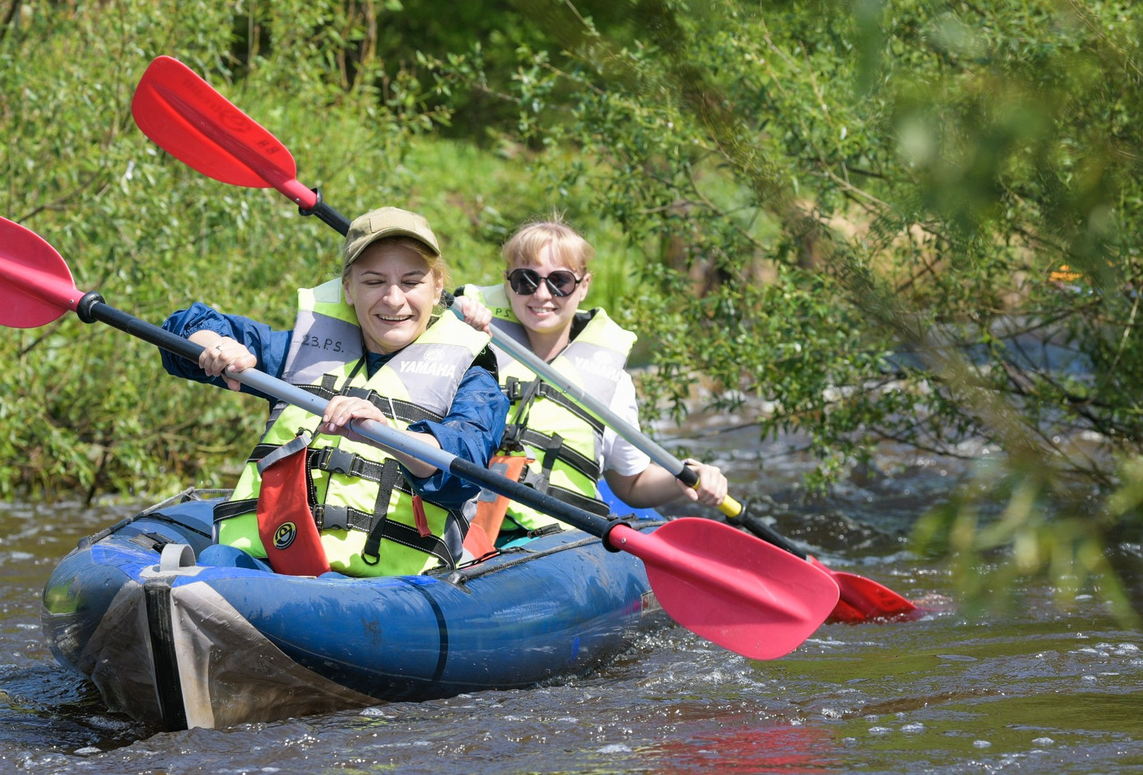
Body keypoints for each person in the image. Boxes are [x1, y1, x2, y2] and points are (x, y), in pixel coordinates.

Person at [161, 207, 505, 577]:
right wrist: (215, 344)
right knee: (215, 564)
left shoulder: (472, 377)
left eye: (411, 282)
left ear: (437, 287)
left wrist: (387, 436)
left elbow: (464, 469)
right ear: (348, 288)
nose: (393, 299)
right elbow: (186, 325)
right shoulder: (300, 351)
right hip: (271, 564)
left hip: (388, 589)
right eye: (373, 282)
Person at [453, 218, 729, 547]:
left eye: (560, 281)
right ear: (507, 282)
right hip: (464, 527)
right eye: (525, 280)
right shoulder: (468, 341)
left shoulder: (611, 380)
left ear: (583, 285)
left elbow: (632, 485)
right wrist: (454, 320)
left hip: (554, 543)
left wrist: (687, 477)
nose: (542, 294)